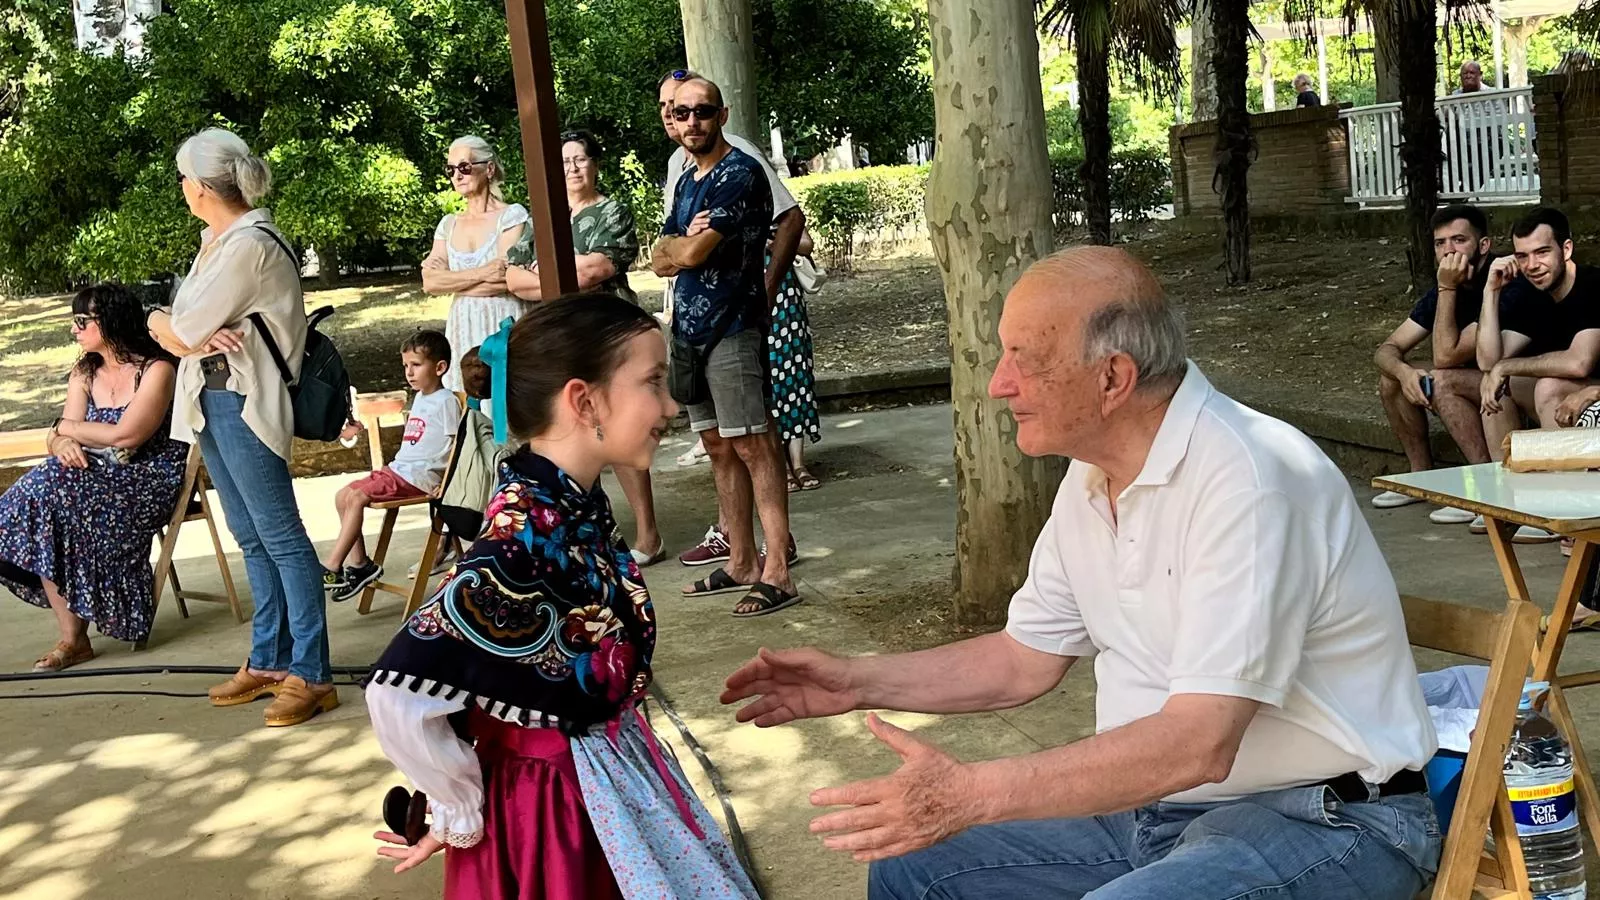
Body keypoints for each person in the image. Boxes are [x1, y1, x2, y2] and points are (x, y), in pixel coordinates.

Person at [723, 246, 1440, 900]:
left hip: (1330, 820)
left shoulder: (1249, 478)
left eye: (1022, 360)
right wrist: (853, 680)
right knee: (916, 866)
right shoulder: (1093, 478)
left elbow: (1200, 742)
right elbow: (1021, 661)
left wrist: (973, 792)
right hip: (1161, 813)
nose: (999, 385)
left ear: (1113, 379)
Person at [364, 295, 759, 899]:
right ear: (584, 400)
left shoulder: (567, 505)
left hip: (595, 777)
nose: (671, 405)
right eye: (652, 382)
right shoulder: (522, 536)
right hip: (555, 809)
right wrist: (458, 802)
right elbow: (398, 691)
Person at [146, 127, 337, 728]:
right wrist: (175, 327)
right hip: (212, 398)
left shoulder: (248, 245)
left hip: (243, 402)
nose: (181, 188)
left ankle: (312, 672)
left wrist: (167, 323)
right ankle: (269, 659)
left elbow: (188, 325)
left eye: (183, 178)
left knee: (280, 537)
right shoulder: (217, 241)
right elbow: (185, 329)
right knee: (252, 537)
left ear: (201, 187)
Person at [651, 76, 799, 617]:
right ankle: (740, 560)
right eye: (682, 113)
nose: (692, 122)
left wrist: (682, 246)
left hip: (733, 327)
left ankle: (777, 570)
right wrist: (679, 245)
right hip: (688, 328)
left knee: (754, 443)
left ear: (722, 114)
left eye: (703, 112)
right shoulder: (688, 178)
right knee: (717, 446)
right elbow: (661, 256)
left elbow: (688, 256)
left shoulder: (741, 173)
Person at [0, 285, 187, 669]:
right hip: (91, 474)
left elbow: (128, 435)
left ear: (113, 321)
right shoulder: (85, 371)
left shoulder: (157, 369)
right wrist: (59, 442)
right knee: (44, 498)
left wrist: (65, 429)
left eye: (83, 321)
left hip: (144, 478)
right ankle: (73, 639)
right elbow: (66, 434)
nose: (74, 329)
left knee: (52, 492)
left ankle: (75, 638)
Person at [505, 129, 665, 566]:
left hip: (607, 333)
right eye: (563, 162)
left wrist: (547, 269)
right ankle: (588, 527)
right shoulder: (545, 217)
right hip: (561, 337)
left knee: (621, 424)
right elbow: (512, 277)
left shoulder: (612, 210)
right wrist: (559, 272)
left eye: (579, 159)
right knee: (574, 428)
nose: (572, 169)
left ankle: (648, 533)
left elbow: (598, 269)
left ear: (594, 164)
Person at [1478, 206, 1599, 544]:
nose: (1532, 265)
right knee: (1495, 388)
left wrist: (1505, 367)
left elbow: (1579, 363)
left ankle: (1569, 517)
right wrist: (1491, 292)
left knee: (1548, 386)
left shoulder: (1593, 285)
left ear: (1566, 249)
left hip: (1594, 398)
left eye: (1542, 252)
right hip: (1579, 400)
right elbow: (1489, 361)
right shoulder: (1533, 295)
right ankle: (1515, 505)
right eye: (1522, 255)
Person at [1371, 204, 1494, 523]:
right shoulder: (1443, 289)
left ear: (1483, 245)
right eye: (1440, 243)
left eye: (1458, 240)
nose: (1448, 251)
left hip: (1516, 383)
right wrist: (1403, 372)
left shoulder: (1499, 281)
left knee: (1440, 379)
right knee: (1392, 378)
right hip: (1477, 378)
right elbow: (1387, 348)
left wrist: (1447, 287)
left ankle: (1487, 490)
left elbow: (1446, 357)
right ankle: (1420, 478)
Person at [322, 330, 462, 602]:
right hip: (399, 470)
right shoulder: (421, 397)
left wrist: (446, 482)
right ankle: (361, 565)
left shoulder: (446, 402)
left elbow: (458, 445)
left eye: (416, 365)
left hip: (418, 477)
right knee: (343, 496)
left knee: (358, 497)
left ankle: (332, 565)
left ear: (440, 367)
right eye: (406, 366)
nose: (409, 372)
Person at [423, 135, 530, 393]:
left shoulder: (512, 215)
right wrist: (483, 271)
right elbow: (430, 282)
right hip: (462, 324)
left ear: (489, 168)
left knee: (508, 400)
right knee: (466, 405)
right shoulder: (448, 224)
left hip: (502, 321)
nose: (457, 175)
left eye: (465, 167)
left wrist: (453, 282)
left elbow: (505, 278)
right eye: (451, 169)